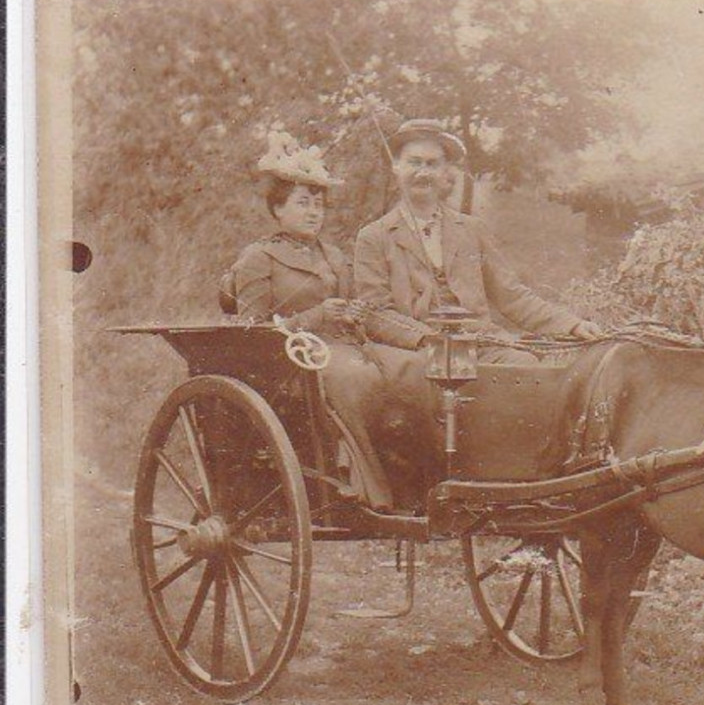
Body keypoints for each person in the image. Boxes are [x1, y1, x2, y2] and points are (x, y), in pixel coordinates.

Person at [222, 133, 424, 511]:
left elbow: (357, 305)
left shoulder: (333, 255)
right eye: (303, 203)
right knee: (354, 378)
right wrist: (317, 316)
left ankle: (418, 485)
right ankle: (372, 492)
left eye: (319, 204)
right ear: (278, 209)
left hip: (348, 346)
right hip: (294, 364)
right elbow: (250, 331)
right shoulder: (258, 257)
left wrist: (361, 316)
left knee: (415, 369)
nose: (314, 212)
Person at [352, 118, 604, 358]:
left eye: (432, 164)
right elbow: (376, 313)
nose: (423, 173)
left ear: (445, 173)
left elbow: (511, 295)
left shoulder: (472, 230)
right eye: (414, 162)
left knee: (526, 372)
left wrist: (571, 325)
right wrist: (428, 339)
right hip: (413, 353)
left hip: (483, 346)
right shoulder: (374, 237)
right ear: (396, 167)